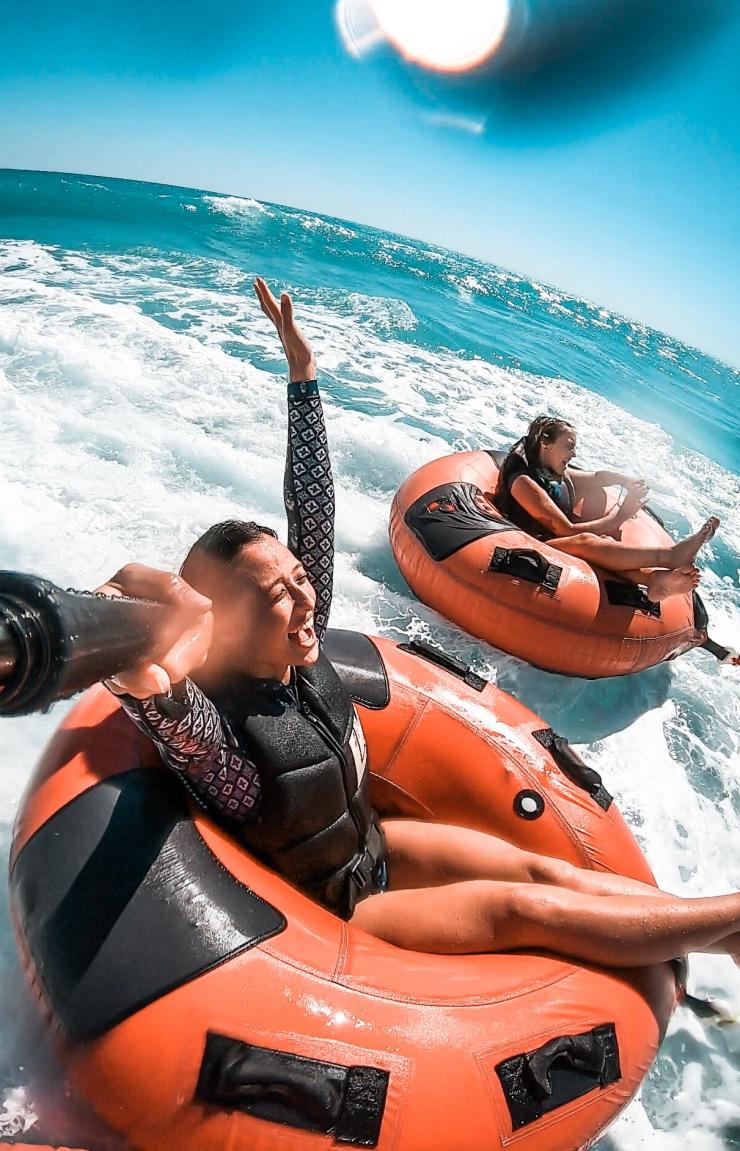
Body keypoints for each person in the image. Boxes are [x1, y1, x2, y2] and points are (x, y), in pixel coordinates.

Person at [97, 279, 740, 970]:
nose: (305, 597)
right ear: (226, 621)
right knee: (522, 909)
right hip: (344, 906)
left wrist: (303, 375)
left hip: (379, 843)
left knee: (546, 875)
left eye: (300, 577)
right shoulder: (214, 730)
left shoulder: (302, 651)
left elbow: (314, 509)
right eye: (276, 594)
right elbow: (149, 691)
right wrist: (117, 619)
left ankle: (711, 943)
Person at [493, 415, 720, 603]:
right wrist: (619, 516)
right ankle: (670, 557)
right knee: (587, 541)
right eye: (569, 446)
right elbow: (566, 531)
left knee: (604, 542)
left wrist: (623, 480)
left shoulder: (547, 467)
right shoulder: (522, 480)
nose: (574, 454)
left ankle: (655, 581)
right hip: (523, 542)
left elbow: (593, 479)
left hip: (551, 540)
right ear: (545, 443)